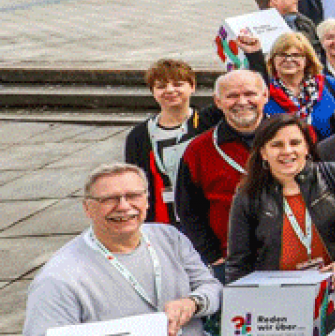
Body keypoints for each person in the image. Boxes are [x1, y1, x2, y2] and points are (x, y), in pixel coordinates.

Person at [24, 163, 223, 336]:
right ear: (87, 208)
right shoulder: (59, 278)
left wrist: (192, 303)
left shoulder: (170, 239)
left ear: (147, 200)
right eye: (109, 199)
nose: (124, 206)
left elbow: (213, 288)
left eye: (133, 195)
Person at [222, 114, 335, 284]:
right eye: (276, 145)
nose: (287, 151)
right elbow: (238, 262)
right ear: (263, 152)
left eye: (295, 143)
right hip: (279, 299)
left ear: (306, 147)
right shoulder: (248, 195)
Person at [174, 71, 268, 267]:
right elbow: (188, 210)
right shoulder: (197, 150)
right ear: (218, 102)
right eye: (232, 96)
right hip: (230, 260)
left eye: (250, 94)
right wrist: (212, 255)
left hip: (291, 255)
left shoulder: (294, 138)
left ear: (265, 96)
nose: (242, 102)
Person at [125, 59, 216, 223]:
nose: (170, 90)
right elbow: (133, 184)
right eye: (161, 86)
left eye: (178, 84)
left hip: (207, 218)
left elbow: (254, 86)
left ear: (193, 86)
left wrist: (253, 54)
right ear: (152, 91)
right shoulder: (139, 135)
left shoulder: (208, 123)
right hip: (163, 221)